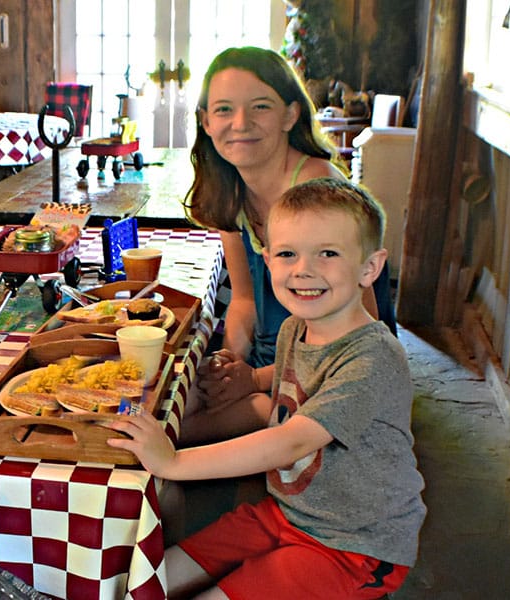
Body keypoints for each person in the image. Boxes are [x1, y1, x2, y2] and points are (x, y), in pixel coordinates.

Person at [110, 178, 425, 599]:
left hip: (355, 544)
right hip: (286, 513)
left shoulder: (374, 357)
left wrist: (172, 461)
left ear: (370, 267)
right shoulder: (295, 329)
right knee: (149, 579)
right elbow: (274, 404)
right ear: (268, 259)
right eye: (287, 254)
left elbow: (290, 442)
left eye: (327, 253)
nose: (303, 270)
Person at [182, 46, 396, 442]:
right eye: (224, 109)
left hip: (328, 367)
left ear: (290, 115)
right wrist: (231, 364)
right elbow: (245, 300)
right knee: (181, 399)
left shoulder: (317, 189)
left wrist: (254, 380)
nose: (240, 123)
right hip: (274, 355)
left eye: (260, 107)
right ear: (206, 122)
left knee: (180, 429)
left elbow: (357, 332)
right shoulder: (229, 189)